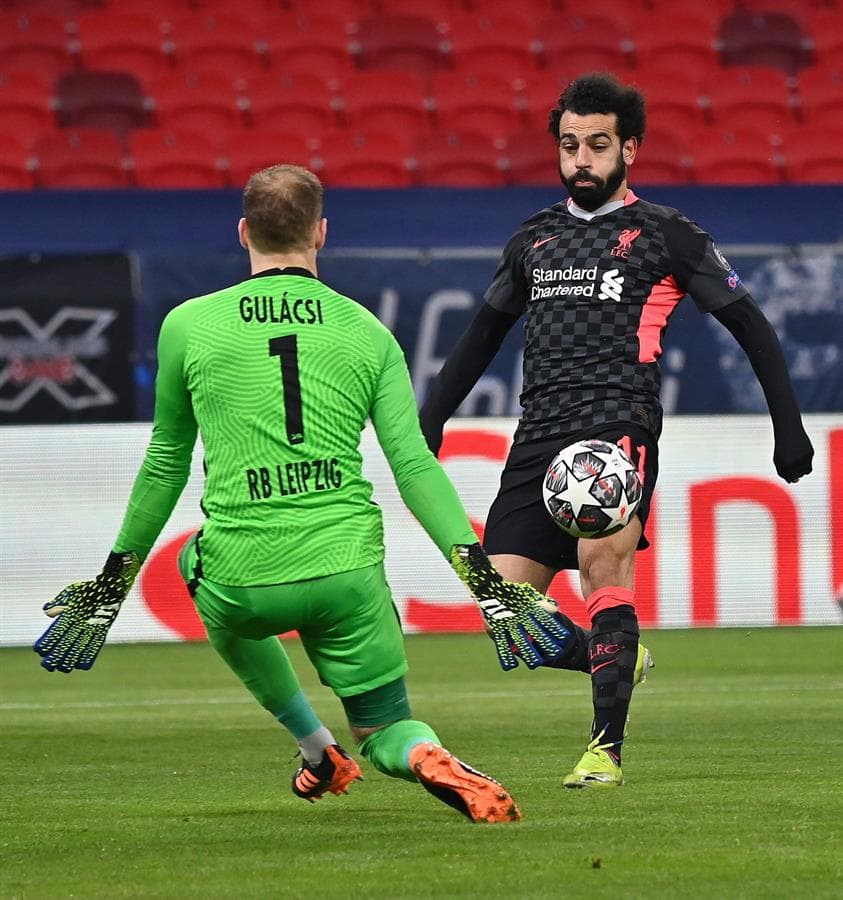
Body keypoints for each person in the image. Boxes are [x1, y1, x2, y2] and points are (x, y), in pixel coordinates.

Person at [33, 164, 570, 824]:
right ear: (320, 233)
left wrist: (112, 583)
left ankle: (316, 749)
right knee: (383, 728)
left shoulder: (187, 326)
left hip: (243, 575)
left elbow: (164, 465)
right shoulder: (366, 332)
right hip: (347, 572)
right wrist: (482, 579)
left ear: (243, 232)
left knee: (192, 563)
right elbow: (414, 468)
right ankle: (421, 751)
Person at [419, 73, 814, 788]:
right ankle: (616, 656)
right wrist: (431, 417)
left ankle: (605, 750)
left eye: (597, 145)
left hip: (615, 422)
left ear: (629, 149)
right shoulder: (534, 238)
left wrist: (787, 428)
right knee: (505, 612)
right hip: (538, 430)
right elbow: (482, 334)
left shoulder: (667, 234)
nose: (581, 160)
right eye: (569, 145)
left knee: (604, 566)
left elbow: (751, 326)